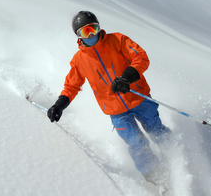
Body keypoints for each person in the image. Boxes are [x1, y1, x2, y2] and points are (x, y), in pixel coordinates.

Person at [48, 11, 170, 179]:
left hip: (138, 97)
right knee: (136, 143)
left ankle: (177, 159)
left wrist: (127, 77)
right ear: (78, 36)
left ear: (99, 28)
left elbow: (141, 57)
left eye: (93, 29)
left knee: (156, 130)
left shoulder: (117, 40)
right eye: (85, 31)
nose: (91, 34)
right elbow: (72, 85)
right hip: (115, 111)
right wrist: (60, 104)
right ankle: (158, 178)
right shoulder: (79, 60)